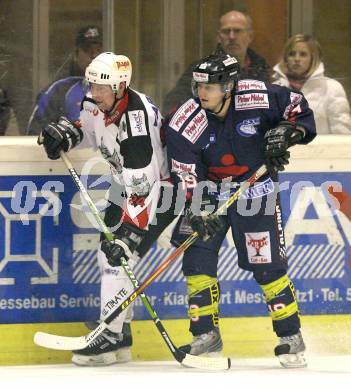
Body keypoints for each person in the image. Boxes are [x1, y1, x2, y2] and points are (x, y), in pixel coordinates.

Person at [165, 52, 316, 368]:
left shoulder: (258, 96)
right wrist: (195, 208)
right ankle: (205, 335)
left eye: (210, 87)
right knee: (196, 260)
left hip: (255, 189)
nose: (201, 92)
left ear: (230, 86)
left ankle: (290, 337)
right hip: (209, 192)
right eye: (198, 85)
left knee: (267, 266)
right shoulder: (185, 120)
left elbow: (299, 109)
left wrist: (290, 132)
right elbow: (185, 171)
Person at [37, 52, 176, 366]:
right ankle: (119, 332)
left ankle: (110, 334)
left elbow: (144, 186)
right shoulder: (95, 102)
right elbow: (88, 130)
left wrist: (128, 236)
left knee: (118, 254)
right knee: (107, 253)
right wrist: (67, 135)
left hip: (160, 192)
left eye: (102, 88)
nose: (93, 93)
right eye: (92, 85)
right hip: (123, 185)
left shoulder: (136, 122)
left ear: (120, 87)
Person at [162, 10, 270, 115]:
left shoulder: (261, 67)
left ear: (250, 36)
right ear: (219, 37)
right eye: (226, 31)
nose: (231, 37)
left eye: (237, 31)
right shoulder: (202, 69)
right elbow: (173, 105)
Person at [26, 26, 103, 135]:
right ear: (76, 55)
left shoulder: (120, 92)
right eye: (87, 50)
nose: (94, 55)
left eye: (99, 50)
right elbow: (33, 138)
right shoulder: (58, 91)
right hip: (69, 152)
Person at [272, 34, 351, 134]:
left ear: (313, 59)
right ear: (286, 58)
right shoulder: (274, 89)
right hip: (283, 149)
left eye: (303, 54)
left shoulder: (332, 88)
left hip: (322, 149)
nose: (297, 59)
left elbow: (343, 134)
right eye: (292, 54)